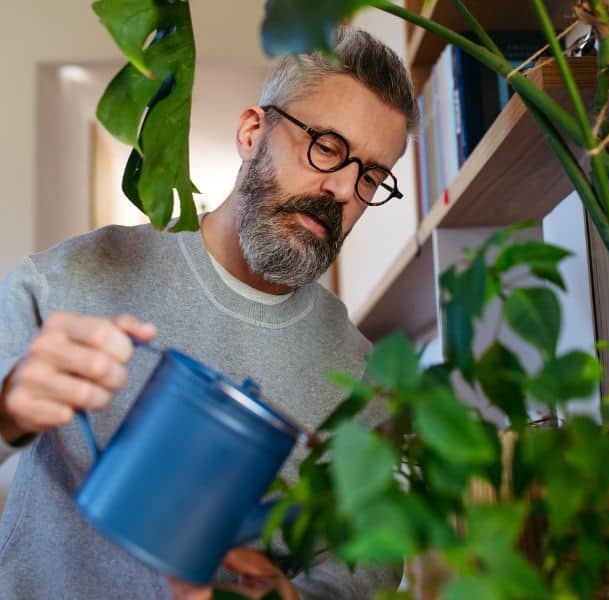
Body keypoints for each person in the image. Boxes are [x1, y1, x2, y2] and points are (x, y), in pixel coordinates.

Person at [0, 26, 417, 599]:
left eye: (371, 176)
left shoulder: (361, 377)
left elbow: (365, 567)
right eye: (327, 146)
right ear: (252, 132)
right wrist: (7, 409)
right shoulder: (73, 277)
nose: (345, 189)